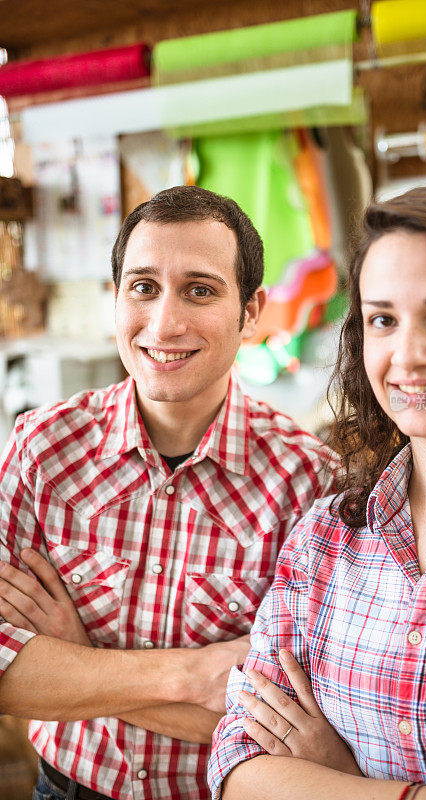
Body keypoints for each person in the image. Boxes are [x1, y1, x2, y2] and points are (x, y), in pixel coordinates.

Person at [207, 186, 426, 800]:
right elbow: (237, 768)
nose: (409, 355)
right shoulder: (326, 535)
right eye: (383, 320)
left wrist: (347, 781)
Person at [0, 185, 337, 800]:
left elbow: (295, 730)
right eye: (144, 287)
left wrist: (76, 661)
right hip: (64, 787)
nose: (164, 323)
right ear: (116, 298)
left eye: (200, 290)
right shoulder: (42, 449)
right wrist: (190, 676)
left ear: (252, 311)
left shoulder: (310, 483)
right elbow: (6, 677)